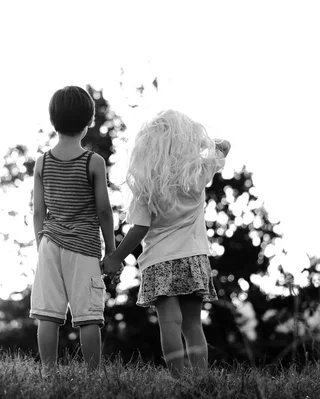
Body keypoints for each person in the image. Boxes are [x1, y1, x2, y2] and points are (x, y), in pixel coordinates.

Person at [102, 109, 231, 377]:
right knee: (193, 326)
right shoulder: (197, 173)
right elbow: (224, 147)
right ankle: (201, 380)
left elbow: (139, 229)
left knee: (170, 324)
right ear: (186, 142)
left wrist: (116, 257)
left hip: (160, 262)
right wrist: (204, 144)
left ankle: (178, 380)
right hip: (194, 258)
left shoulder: (147, 185)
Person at [30, 86, 116, 371]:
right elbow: (104, 210)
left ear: (53, 121)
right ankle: (93, 376)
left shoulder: (42, 162)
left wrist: (40, 245)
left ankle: (48, 373)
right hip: (84, 248)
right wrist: (112, 252)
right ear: (89, 120)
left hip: (50, 244)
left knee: (47, 315)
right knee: (89, 317)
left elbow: (39, 212)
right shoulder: (94, 162)